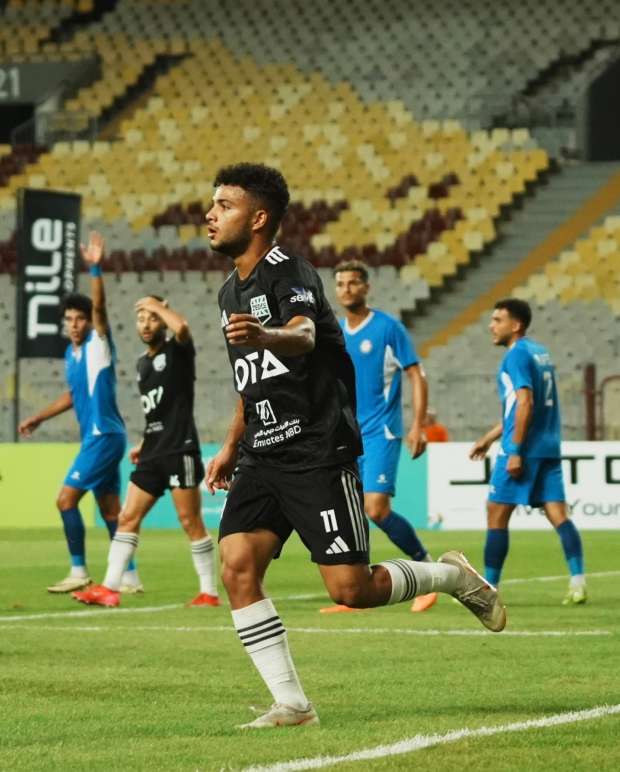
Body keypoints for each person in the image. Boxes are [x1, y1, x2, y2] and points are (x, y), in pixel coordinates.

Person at [204, 162, 506, 730]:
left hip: (317, 450)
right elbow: (252, 379)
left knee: (351, 589)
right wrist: (229, 445)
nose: (210, 214)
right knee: (237, 567)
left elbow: (303, 334)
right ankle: (294, 706)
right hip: (261, 454)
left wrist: (266, 334)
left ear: (259, 218)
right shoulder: (228, 292)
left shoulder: (289, 271)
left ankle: (452, 576)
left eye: (224, 205)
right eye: (213, 204)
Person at [73, 295, 219, 608]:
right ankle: (109, 588)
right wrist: (143, 443)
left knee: (190, 521)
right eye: (141, 319)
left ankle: (209, 592)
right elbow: (157, 412)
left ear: (162, 321)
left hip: (180, 450)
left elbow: (183, 328)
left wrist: (158, 307)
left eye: (152, 318)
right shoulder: (142, 363)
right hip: (153, 453)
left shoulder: (178, 351)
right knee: (127, 517)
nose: (146, 324)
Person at [18, 232, 140, 594]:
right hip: (100, 437)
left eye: (80, 318)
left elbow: (100, 308)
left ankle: (78, 570)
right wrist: (39, 417)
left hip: (104, 436)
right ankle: (129, 576)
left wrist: (96, 269)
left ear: (88, 322)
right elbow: (73, 395)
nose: (74, 324)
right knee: (110, 511)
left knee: (65, 500)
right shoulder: (71, 356)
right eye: (69, 319)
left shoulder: (98, 344)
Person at [320, 259, 436, 614]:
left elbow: (416, 374)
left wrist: (418, 425)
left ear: (366, 287)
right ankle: (357, 587)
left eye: (353, 283)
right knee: (349, 512)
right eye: (341, 284)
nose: (346, 289)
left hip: (381, 432)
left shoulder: (388, 328)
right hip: (346, 435)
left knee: (375, 508)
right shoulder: (335, 332)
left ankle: (429, 572)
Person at [470, 298, 586, 605]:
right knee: (558, 515)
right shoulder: (539, 352)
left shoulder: (516, 356)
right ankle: (578, 583)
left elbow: (525, 403)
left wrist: (515, 450)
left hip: (524, 448)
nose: (491, 326)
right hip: (548, 447)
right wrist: (489, 438)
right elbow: (518, 408)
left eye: (498, 320)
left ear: (516, 325)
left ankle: (488, 589)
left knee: (496, 513)